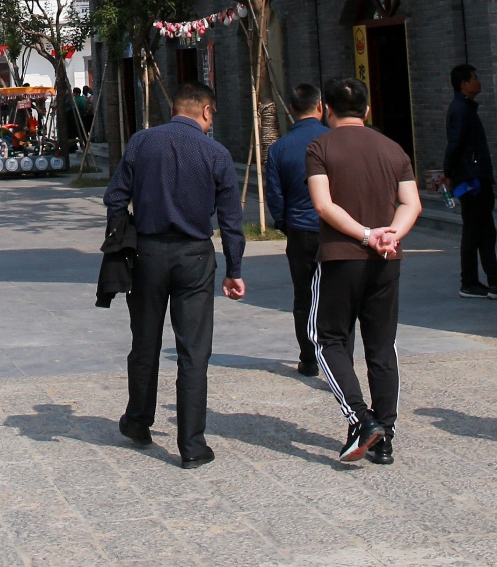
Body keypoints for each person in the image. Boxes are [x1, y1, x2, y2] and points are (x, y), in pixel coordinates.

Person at [103, 82, 245, 467]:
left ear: (173, 108)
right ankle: (192, 445)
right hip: (195, 256)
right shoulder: (216, 153)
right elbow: (231, 221)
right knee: (193, 351)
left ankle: (138, 421)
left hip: (147, 253)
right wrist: (234, 269)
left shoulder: (141, 143)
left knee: (144, 342)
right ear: (206, 111)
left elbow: (115, 197)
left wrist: (121, 239)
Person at [305, 74, 420, 465]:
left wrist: (367, 235)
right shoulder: (393, 148)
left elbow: (323, 205)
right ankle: (385, 436)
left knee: (327, 339)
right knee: (382, 346)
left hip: (341, 257)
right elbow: (412, 203)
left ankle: (361, 418)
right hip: (387, 261)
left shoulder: (320, 147)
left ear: (326, 110)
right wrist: (391, 235)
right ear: (367, 110)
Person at [262, 83, 331, 376]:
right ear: (320, 107)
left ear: (290, 109)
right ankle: (337, 357)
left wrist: (285, 224)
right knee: (335, 296)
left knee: (304, 297)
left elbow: (274, 195)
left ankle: (309, 358)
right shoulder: (332, 140)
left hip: (300, 230)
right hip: (334, 230)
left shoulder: (279, 148)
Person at [444, 65, 497, 299]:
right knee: (475, 231)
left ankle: (492, 281)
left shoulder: (465, 107)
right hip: (472, 180)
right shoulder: (461, 109)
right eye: (475, 78)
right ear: (464, 84)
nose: (478, 82)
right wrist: (449, 172)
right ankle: (471, 282)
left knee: (483, 232)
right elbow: (454, 144)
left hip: (474, 176)